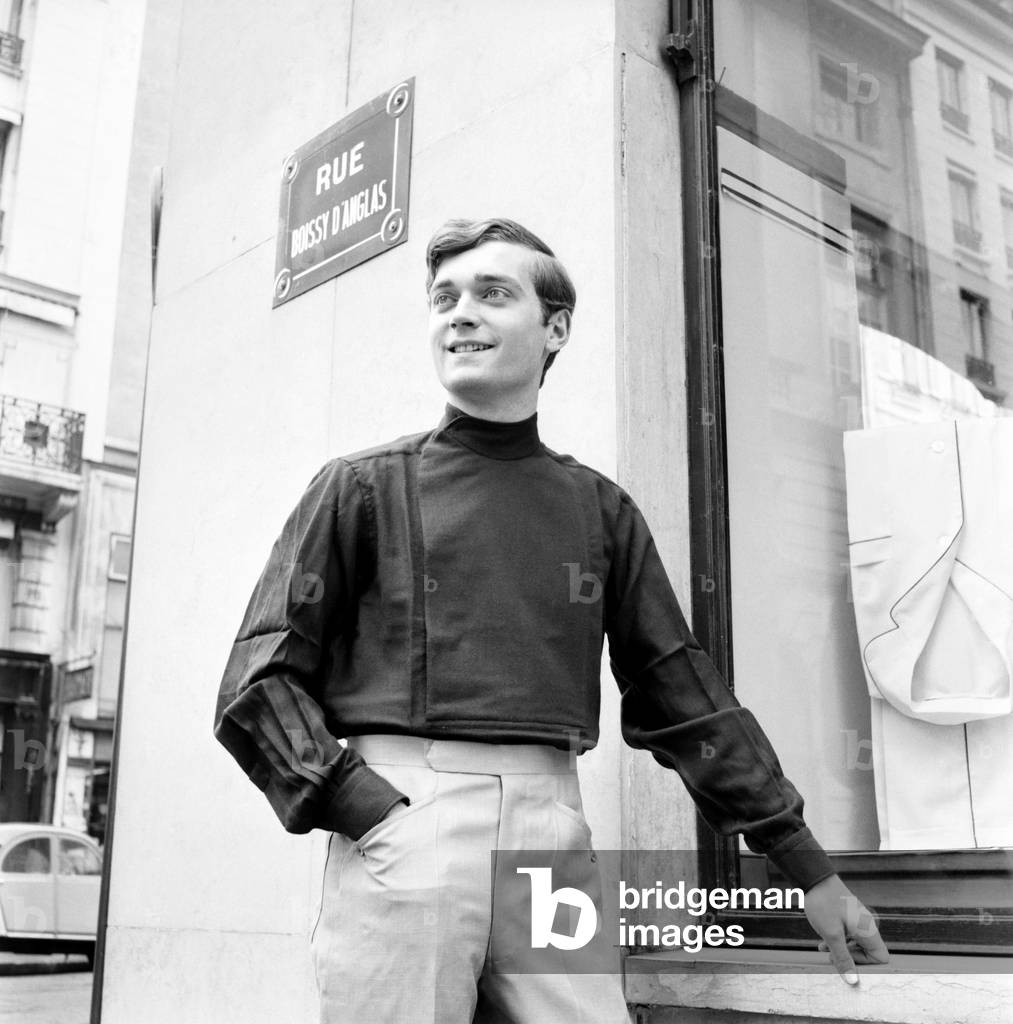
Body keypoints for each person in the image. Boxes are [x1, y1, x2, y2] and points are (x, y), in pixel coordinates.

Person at [213, 217, 889, 1023]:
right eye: (443, 299)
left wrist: (806, 865)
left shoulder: (599, 510)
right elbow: (257, 680)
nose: (458, 314)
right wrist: (364, 809)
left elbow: (680, 691)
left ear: (555, 327)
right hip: (406, 821)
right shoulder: (360, 488)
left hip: (549, 824)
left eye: (492, 294)